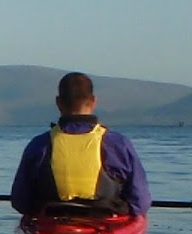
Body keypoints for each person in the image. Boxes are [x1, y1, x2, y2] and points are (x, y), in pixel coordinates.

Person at [10, 72, 151, 217]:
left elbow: (20, 202)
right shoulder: (119, 144)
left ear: (58, 102)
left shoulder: (39, 145)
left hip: (53, 227)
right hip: (105, 226)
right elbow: (140, 203)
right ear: (93, 101)